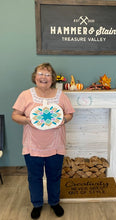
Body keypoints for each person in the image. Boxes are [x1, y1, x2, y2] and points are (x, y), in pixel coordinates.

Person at [12, 63, 74, 219]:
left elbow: (70, 114)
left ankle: (54, 202)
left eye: (47, 75)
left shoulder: (61, 96)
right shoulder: (25, 95)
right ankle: (37, 204)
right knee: (34, 177)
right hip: (33, 145)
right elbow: (15, 115)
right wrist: (27, 120)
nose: (44, 78)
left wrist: (63, 120)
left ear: (52, 78)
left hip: (55, 144)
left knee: (54, 176)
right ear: (35, 76)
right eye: (41, 74)